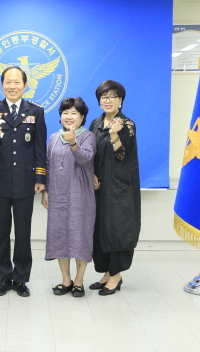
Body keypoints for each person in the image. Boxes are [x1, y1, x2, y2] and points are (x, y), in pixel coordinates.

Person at [0, 66, 47, 297]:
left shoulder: (36, 112)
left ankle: (20, 279)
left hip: (25, 181)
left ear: (25, 85)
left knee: (23, 233)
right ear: (2, 85)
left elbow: (39, 147)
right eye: (8, 82)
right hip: (0, 181)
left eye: (17, 82)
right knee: (1, 234)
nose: (12, 86)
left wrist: (40, 177)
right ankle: (4, 278)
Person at [89, 80, 141, 296]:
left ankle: (116, 275)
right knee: (100, 228)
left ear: (121, 100)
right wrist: (92, 173)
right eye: (103, 97)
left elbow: (122, 155)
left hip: (120, 186)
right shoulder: (95, 123)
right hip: (99, 186)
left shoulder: (126, 124)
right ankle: (106, 272)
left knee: (117, 229)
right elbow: (91, 151)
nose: (107, 100)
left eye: (112, 96)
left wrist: (113, 134)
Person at [42, 97, 96, 297]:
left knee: (80, 236)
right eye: (65, 113)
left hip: (80, 195)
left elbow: (85, 159)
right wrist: (46, 191)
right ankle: (66, 280)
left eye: (74, 113)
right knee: (59, 236)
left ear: (82, 117)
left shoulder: (88, 136)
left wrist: (73, 143)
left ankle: (79, 280)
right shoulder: (54, 137)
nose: (69, 116)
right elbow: (48, 165)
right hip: (57, 195)